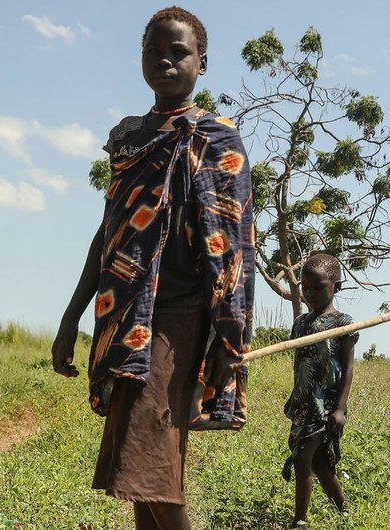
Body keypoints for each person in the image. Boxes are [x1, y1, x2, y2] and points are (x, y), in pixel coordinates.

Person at [49, 7, 254, 530]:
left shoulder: (218, 139)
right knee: (140, 475)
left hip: (181, 319)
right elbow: (110, 233)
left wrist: (231, 340)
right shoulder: (129, 136)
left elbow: (234, 248)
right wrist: (72, 315)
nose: (164, 60)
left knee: (153, 468)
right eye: (153, 51)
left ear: (202, 64)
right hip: (123, 317)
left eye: (178, 52)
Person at [281, 253, 357, 530]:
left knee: (302, 458)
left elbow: (348, 368)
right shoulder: (300, 323)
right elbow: (299, 364)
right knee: (320, 466)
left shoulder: (343, 323)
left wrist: (340, 408)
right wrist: (294, 397)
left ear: (335, 287)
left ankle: (299, 522)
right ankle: (346, 513)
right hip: (303, 403)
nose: (310, 293)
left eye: (318, 287)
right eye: (305, 287)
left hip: (326, 406)